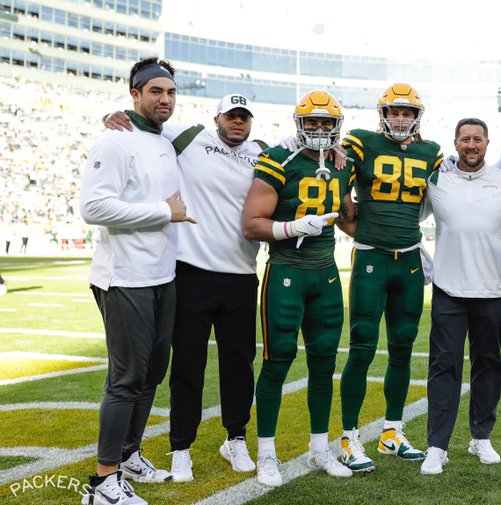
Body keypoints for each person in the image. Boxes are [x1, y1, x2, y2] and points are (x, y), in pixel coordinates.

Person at [103, 93, 267, 483]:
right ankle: (181, 447)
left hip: (242, 274)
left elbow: (303, 153)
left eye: (244, 117)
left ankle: (236, 438)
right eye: (231, 116)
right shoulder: (189, 137)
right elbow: (143, 122)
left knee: (239, 364)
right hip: (192, 272)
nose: (238, 123)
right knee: (187, 365)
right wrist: (112, 114)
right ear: (217, 117)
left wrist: (338, 156)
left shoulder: (262, 151)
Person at [79, 57, 195, 505]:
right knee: (126, 378)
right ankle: (103, 483)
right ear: (134, 95)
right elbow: (93, 209)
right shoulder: (115, 140)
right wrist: (166, 212)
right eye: (155, 92)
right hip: (124, 277)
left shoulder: (165, 140)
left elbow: (236, 138)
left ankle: (128, 455)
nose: (164, 99)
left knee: (152, 374)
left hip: (162, 276)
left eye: (170, 92)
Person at [241, 90, 357, 487]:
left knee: (324, 365)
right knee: (277, 362)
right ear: (299, 124)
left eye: (328, 123)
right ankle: (267, 454)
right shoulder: (278, 159)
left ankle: (319, 448)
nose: (321, 130)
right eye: (313, 122)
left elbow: (348, 214)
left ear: (337, 127)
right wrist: (291, 228)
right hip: (286, 273)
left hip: (325, 275)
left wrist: (404, 240)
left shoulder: (344, 164)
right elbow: (251, 223)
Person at [337, 83, 443, 472]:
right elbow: (336, 185)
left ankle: (391, 431)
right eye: (394, 112)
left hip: (410, 260)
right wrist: (362, 230)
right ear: (383, 114)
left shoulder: (431, 152)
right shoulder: (361, 142)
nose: (401, 118)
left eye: (407, 113)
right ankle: (349, 438)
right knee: (362, 346)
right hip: (371, 259)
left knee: (402, 346)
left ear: (417, 116)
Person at [418, 118, 501, 475]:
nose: (471, 145)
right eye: (465, 139)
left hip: (493, 289)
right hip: (448, 289)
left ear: (487, 142)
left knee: (488, 363)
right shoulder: (437, 177)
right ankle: (436, 446)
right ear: (455, 143)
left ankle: (481, 436)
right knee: (443, 367)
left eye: (477, 139)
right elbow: (410, 213)